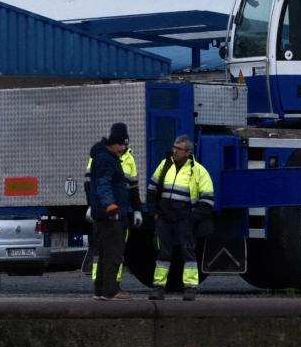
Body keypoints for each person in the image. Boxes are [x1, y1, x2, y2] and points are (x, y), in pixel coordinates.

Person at [146, 134, 215, 301]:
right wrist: (154, 212)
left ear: (188, 152)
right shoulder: (165, 165)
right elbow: (151, 189)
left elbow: (207, 201)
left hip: (184, 220)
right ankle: (158, 287)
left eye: (178, 148)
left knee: (188, 254)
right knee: (163, 254)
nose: (174, 151)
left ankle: (190, 288)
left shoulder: (198, 171)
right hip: (164, 218)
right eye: (174, 147)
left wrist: (191, 218)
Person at [85, 122, 144, 289]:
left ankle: (108, 286)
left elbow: (133, 187)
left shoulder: (128, 159)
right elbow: (92, 184)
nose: (124, 148)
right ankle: (107, 288)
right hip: (109, 211)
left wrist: (137, 209)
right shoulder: (103, 158)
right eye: (121, 144)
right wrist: (93, 204)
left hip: (120, 211)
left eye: (126, 145)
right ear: (114, 142)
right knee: (108, 251)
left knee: (114, 250)